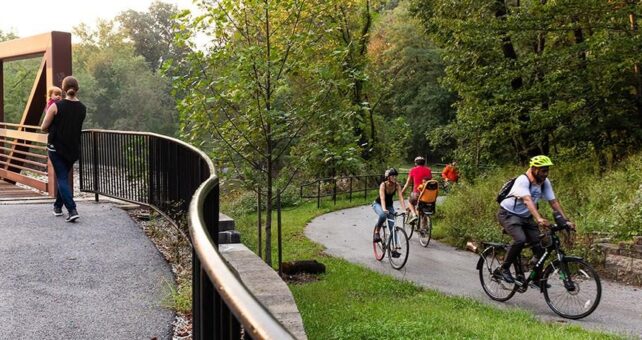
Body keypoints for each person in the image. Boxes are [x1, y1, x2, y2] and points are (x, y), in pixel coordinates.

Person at [496, 155, 575, 284]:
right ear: (534, 169)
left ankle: (536, 277)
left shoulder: (544, 182)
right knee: (520, 239)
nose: (546, 173)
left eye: (547, 170)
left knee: (541, 246)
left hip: (526, 217)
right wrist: (538, 218)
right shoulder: (523, 180)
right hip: (508, 214)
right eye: (543, 170)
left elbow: (553, 202)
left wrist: (566, 221)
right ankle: (503, 269)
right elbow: (527, 200)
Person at [41, 76, 86, 222]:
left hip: (56, 148)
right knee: (63, 177)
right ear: (77, 89)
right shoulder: (82, 108)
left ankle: (72, 210)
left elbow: (43, 127)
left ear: (63, 89)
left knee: (61, 177)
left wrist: (53, 127)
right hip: (73, 149)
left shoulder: (56, 106)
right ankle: (57, 207)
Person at [372, 168, 408, 257]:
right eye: (392, 176)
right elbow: (382, 198)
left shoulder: (397, 185)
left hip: (389, 206)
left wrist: (404, 209)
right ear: (388, 177)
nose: (394, 177)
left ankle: (394, 248)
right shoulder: (383, 185)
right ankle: (377, 232)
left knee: (393, 226)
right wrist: (384, 209)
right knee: (383, 215)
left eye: (395, 176)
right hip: (378, 204)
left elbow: (401, 197)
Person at [402, 156, 432, 223]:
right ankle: (424, 227)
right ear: (424, 163)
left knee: (410, 202)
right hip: (427, 194)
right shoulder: (428, 170)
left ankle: (414, 214)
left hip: (417, 193)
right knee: (423, 208)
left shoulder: (413, 170)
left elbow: (408, 183)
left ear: (416, 163)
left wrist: (402, 191)